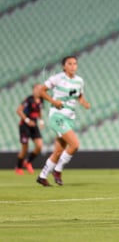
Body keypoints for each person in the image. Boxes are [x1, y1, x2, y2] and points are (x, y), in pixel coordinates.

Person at [36, 56, 90, 186]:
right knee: (75, 144)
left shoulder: (79, 81)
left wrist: (84, 102)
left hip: (70, 117)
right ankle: (57, 170)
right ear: (64, 66)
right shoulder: (58, 78)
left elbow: (79, 95)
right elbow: (41, 90)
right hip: (57, 116)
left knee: (59, 151)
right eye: (69, 64)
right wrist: (54, 101)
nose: (72, 66)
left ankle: (42, 176)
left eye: (75, 64)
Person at [15, 83, 44, 175]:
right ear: (33, 90)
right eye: (37, 88)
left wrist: (41, 121)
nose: (39, 90)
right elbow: (18, 110)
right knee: (25, 148)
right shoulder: (29, 99)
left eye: (40, 88)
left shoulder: (41, 100)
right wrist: (27, 120)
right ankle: (19, 167)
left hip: (34, 125)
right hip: (24, 125)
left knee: (39, 146)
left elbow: (39, 111)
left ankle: (28, 162)